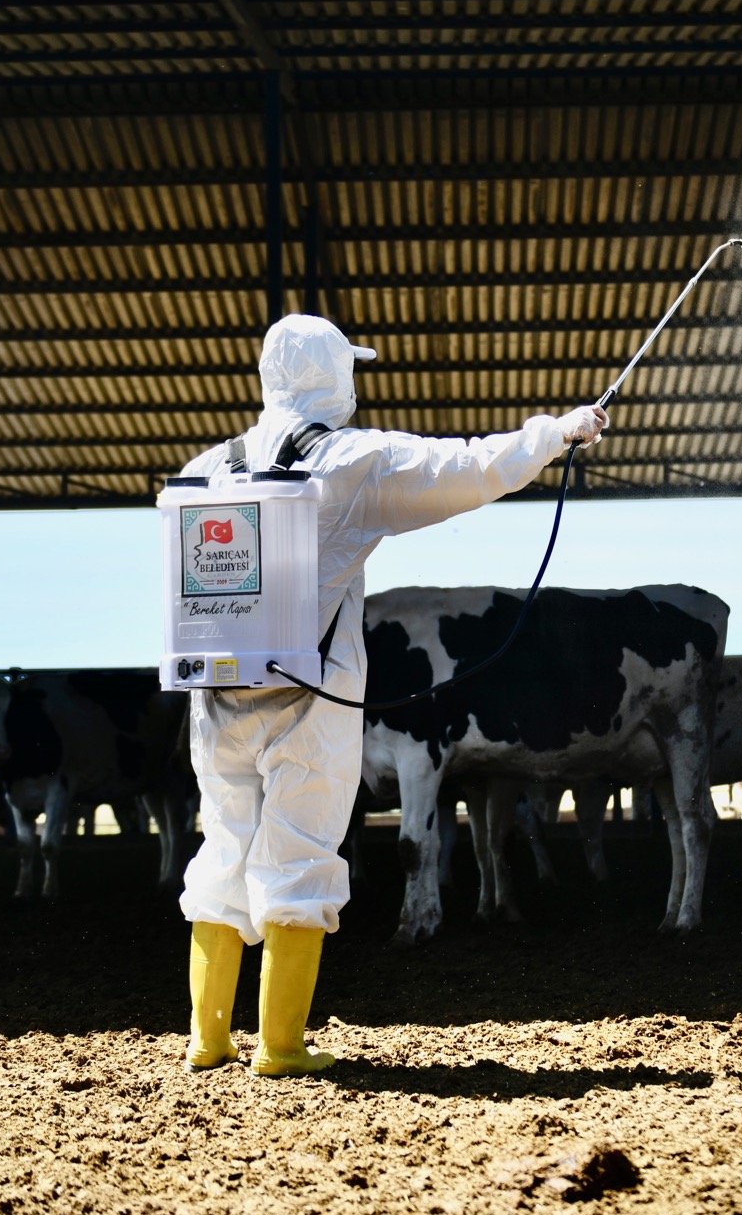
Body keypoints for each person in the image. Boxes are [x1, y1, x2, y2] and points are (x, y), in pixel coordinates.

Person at [175, 314, 607, 1076]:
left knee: (223, 848)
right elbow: (472, 468)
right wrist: (558, 431)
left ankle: (208, 1041)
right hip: (308, 697)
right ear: (336, 375)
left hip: (213, 694)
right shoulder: (353, 458)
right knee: (300, 855)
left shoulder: (209, 466)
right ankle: (279, 1046)